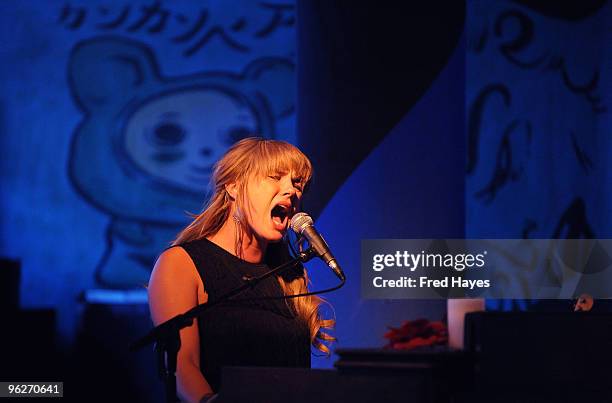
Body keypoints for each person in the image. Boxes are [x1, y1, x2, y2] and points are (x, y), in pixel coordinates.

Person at [148, 137, 334, 402]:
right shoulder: (182, 263)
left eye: (297, 183)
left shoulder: (289, 275)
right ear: (233, 186)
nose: (291, 191)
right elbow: (182, 365)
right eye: (275, 177)